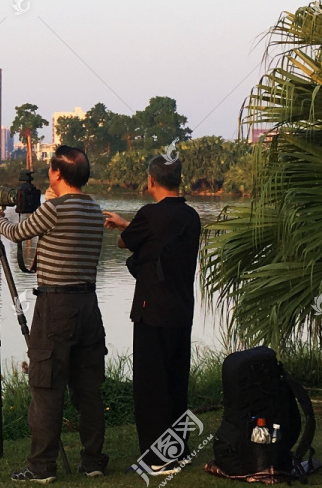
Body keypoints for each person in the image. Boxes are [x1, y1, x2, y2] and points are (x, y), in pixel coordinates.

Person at [0, 145, 108, 483]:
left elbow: (18, 233)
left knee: (46, 387)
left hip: (56, 306)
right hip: (89, 306)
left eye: (51, 169)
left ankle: (41, 468)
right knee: (88, 389)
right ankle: (93, 461)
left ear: (57, 174)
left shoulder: (55, 210)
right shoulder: (94, 210)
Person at [103, 155, 201, 475]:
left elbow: (123, 243)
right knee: (175, 383)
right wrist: (129, 226)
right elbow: (158, 239)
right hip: (181, 311)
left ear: (150, 181)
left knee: (151, 388)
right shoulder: (191, 216)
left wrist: (123, 227)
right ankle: (177, 451)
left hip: (151, 313)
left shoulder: (148, 215)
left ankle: (157, 460)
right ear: (179, 180)